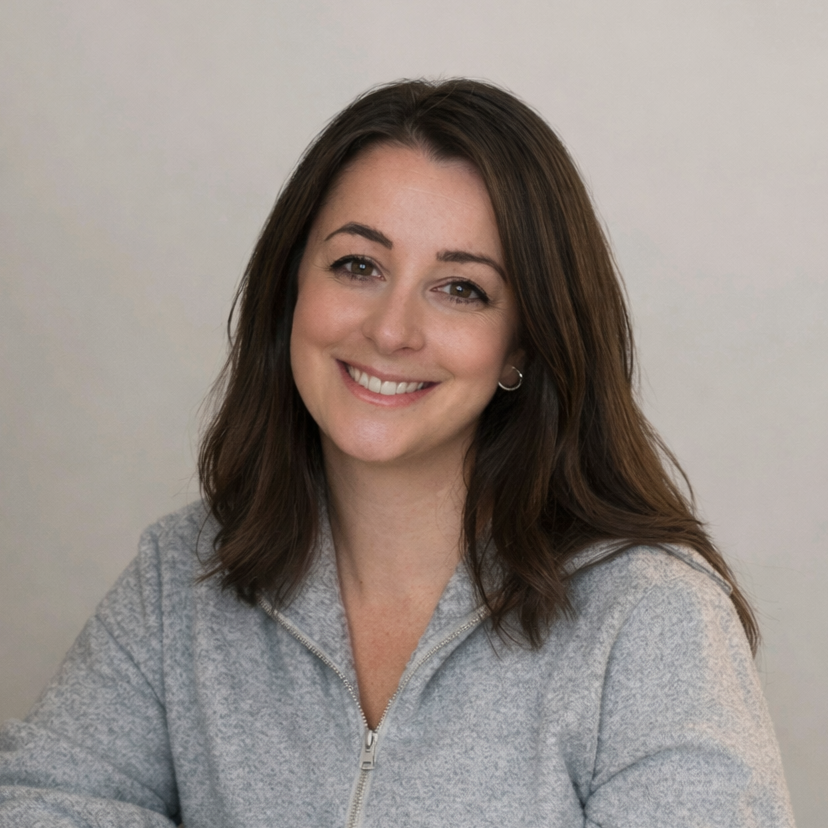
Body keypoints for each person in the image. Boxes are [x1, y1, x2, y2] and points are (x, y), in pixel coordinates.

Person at [0, 79, 794, 827]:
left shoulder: (649, 619)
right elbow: (42, 804)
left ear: (522, 344)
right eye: (358, 266)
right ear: (292, 293)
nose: (390, 330)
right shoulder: (182, 578)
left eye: (460, 288)